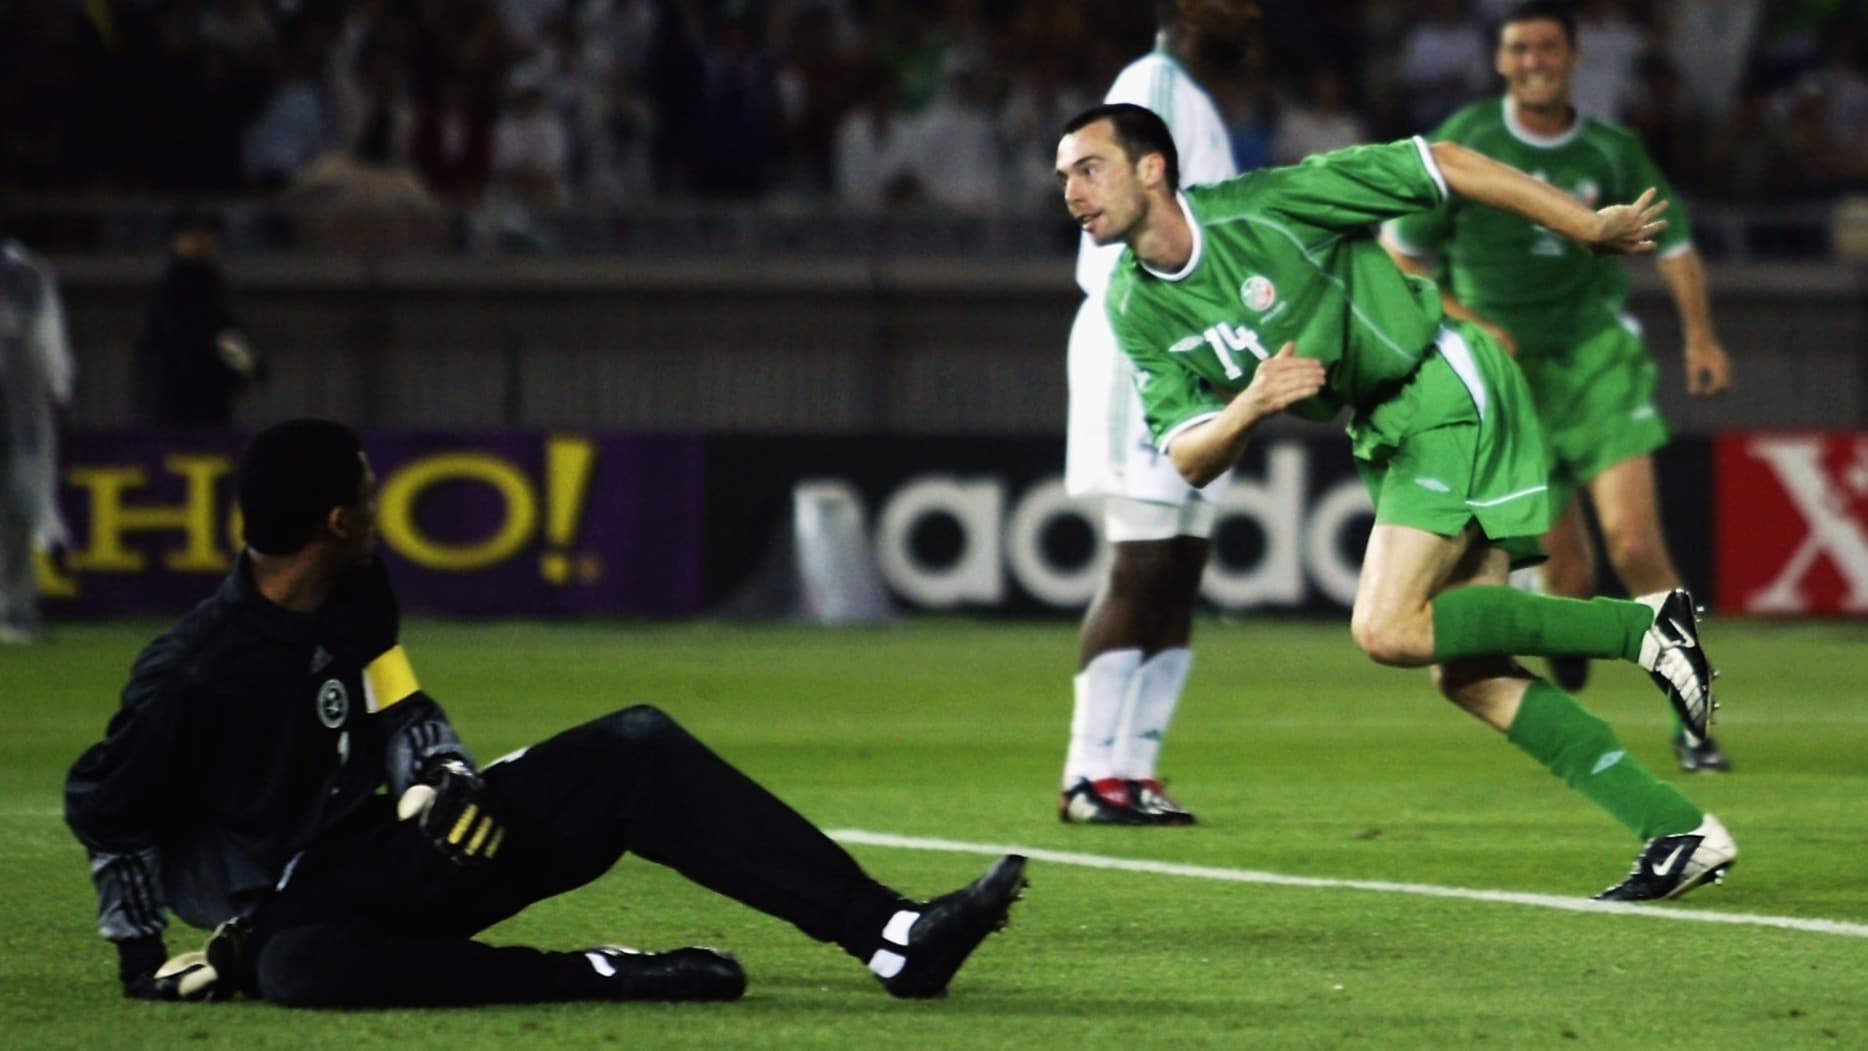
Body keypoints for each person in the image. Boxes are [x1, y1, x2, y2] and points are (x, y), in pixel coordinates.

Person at [65, 418, 1026, 1006]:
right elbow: (107, 809)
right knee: (304, 972)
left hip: (397, 850)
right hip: (283, 913)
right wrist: (141, 958)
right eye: (367, 491)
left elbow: (401, 701)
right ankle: (604, 974)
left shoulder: (356, 593)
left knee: (635, 745)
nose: (378, 503)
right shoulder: (191, 671)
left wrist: (442, 774)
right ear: (335, 522)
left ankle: (896, 937)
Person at [1053, 102, 1734, 901]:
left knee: (1385, 626)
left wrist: (1585, 227)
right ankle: (1676, 830)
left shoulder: (1271, 204)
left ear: (1151, 169)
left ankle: (1644, 626)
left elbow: (1442, 161)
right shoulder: (1133, 305)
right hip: (1389, 423)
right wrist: (1250, 406)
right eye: (1063, 175)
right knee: (1468, 674)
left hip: (1443, 378)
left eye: (1088, 168)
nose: (1070, 191)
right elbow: (1189, 456)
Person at [1380, 1, 1735, 773]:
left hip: (1596, 362)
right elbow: (1402, 256)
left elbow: (1672, 243)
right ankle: (1574, 652)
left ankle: (1693, 714)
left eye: (1547, 46)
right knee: (1566, 580)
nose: (1534, 59)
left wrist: (1700, 337)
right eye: (1519, 48)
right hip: (1506, 382)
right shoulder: (1468, 143)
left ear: (1575, 58)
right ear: (1501, 62)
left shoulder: (1611, 150)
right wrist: (1471, 320)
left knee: (1637, 542)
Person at [1058, 0, 1257, 828]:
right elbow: (1133, 234)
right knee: (1139, 564)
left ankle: (1134, 768)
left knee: (1179, 567)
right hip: (1142, 346)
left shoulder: (1196, 99)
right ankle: (1087, 773)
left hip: (1196, 352)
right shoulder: (1151, 85)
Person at [0, 221, 77, 644]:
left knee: (18, 511)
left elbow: (51, 336)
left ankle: (15, 610)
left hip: (20, 412)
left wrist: (60, 387)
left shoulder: (26, 273)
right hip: (20, 413)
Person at [132, 207, 265, 428]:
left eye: (206, 235)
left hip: (207, 397)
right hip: (174, 398)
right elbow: (190, 341)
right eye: (193, 235)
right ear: (176, 240)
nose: (201, 242)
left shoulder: (210, 283)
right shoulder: (170, 287)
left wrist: (251, 368)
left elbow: (224, 336)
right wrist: (244, 369)